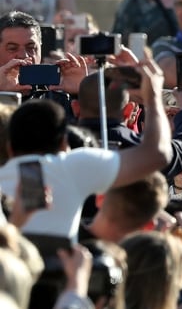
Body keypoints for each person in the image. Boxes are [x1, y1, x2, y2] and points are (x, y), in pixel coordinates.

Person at [0, 55, 172, 240]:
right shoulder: (73, 166)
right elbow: (157, 154)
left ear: (9, 148)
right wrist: (152, 96)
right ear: (65, 145)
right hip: (69, 267)